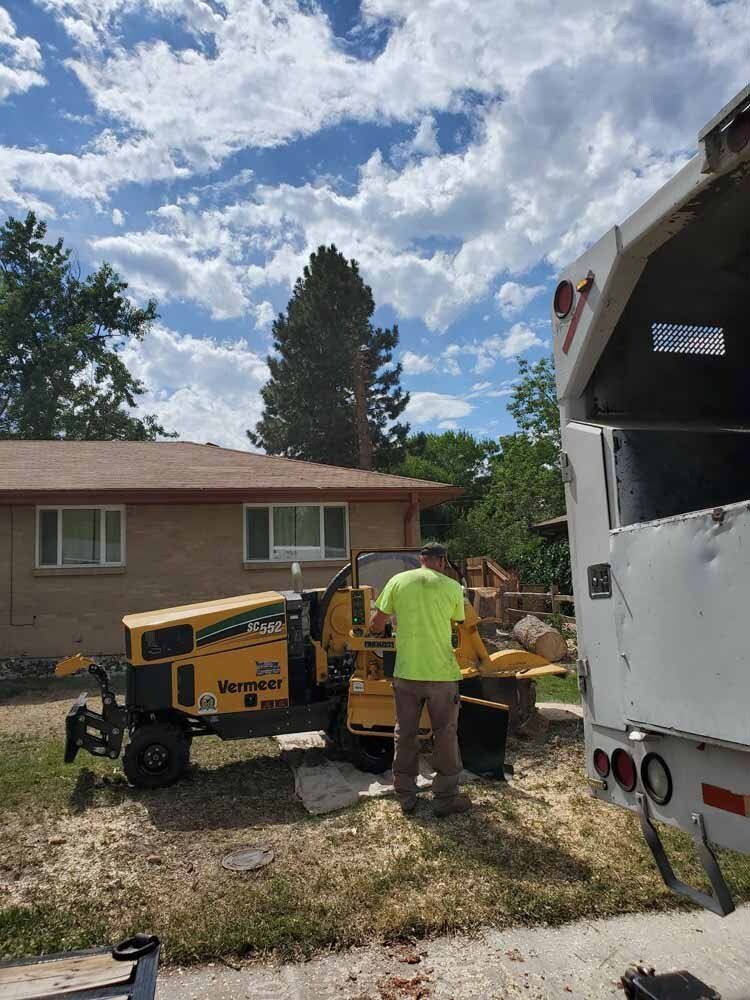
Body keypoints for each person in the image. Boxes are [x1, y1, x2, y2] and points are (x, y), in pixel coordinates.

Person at [370, 542, 472, 817]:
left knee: (405, 734)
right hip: (442, 676)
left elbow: (376, 624)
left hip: (406, 674)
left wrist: (382, 628)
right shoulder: (452, 587)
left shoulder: (397, 581)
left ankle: (406, 796)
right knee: (445, 735)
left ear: (421, 559)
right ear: (441, 561)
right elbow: (457, 619)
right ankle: (446, 798)